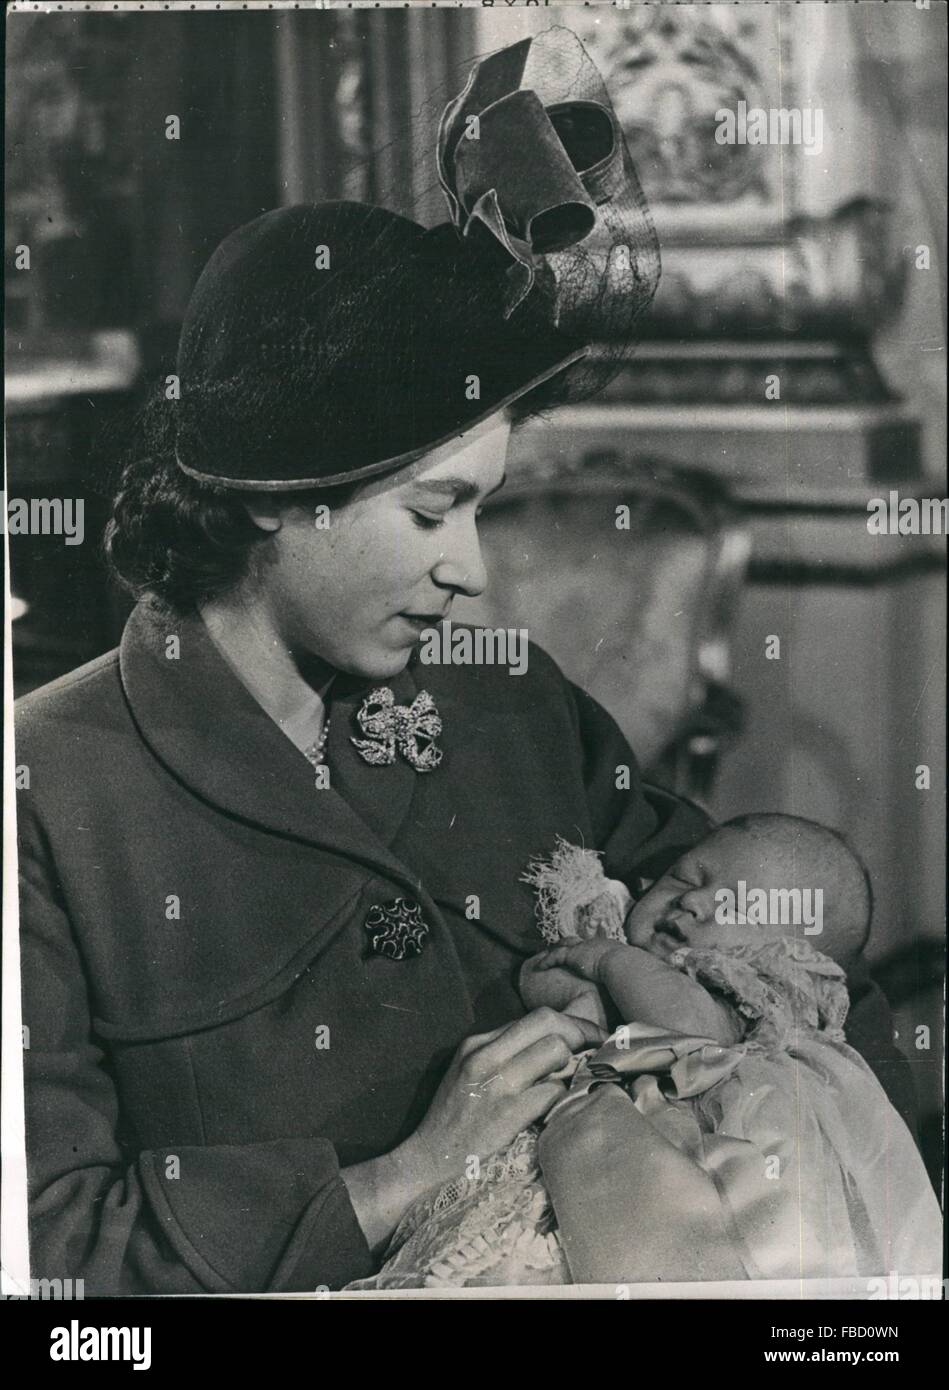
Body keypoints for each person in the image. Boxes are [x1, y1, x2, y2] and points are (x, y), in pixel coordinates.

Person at [14, 30, 912, 1296]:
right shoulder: (48, 795)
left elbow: (772, 949)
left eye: (484, 509)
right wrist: (392, 1181)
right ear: (280, 496)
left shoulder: (504, 698)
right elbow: (50, 1258)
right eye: (433, 512)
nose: (474, 572)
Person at [352, 816, 940, 1288]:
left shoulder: (749, 987)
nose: (695, 904)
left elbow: (688, 1026)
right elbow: (542, 988)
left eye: (737, 906)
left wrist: (607, 961)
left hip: (701, 1172)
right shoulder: (639, 955)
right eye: (685, 881)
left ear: (788, 945)